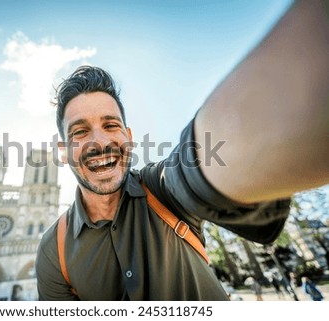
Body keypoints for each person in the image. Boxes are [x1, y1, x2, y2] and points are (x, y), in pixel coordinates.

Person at [36, 0, 329, 300]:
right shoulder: (52, 252)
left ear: (129, 137)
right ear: (63, 150)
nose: (99, 142)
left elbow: (197, 165)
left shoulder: (160, 188)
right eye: (80, 132)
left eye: (111, 125)